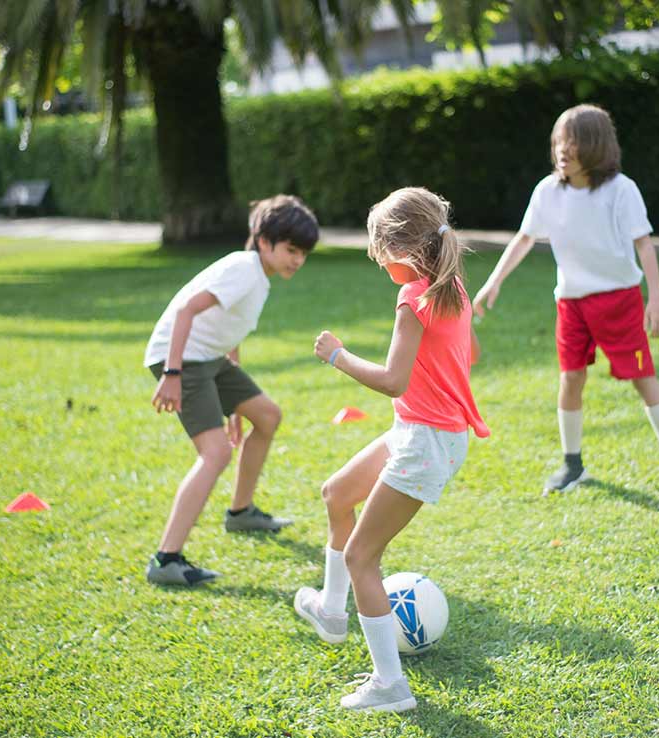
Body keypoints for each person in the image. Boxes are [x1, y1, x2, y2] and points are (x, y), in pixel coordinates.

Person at [294, 187, 489, 712]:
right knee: (337, 493)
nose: (381, 267)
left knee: (362, 556)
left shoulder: (413, 298)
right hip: (423, 433)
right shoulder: (452, 287)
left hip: (425, 441)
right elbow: (464, 351)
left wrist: (337, 355)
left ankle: (390, 686)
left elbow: (393, 380)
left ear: (402, 252)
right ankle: (333, 613)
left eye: (381, 257)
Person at [473, 104, 659, 495]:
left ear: (595, 146)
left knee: (642, 378)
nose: (563, 149)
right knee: (571, 377)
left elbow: (644, 245)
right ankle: (572, 465)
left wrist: (656, 299)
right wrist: (493, 282)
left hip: (620, 301)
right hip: (572, 304)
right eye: (559, 140)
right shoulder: (547, 191)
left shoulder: (621, 190)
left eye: (573, 141)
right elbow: (525, 237)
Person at [143, 194, 319, 585]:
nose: (297, 260)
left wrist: (236, 408)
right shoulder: (244, 269)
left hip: (209, 357)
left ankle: (241, 513)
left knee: (267, 415)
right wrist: (171, 374)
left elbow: (230, 334)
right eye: (291, 250)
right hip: (183, 357)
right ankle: (166, 559)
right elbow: (187, 310)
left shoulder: (259, 277)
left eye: (303, 253)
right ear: (263, 241)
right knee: (216, 453)